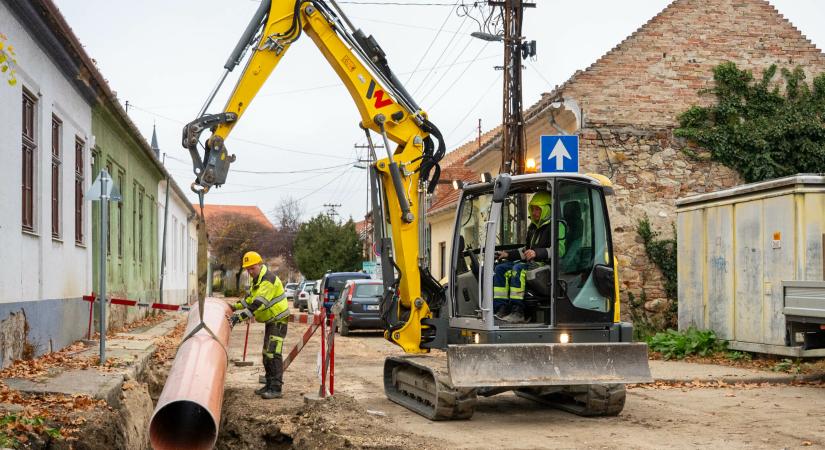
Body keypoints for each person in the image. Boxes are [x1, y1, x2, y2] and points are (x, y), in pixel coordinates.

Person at [493, 191, 566, 323]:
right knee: (500, 269)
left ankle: (518, 311)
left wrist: (537, 253)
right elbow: (526, 250)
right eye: (532, 209)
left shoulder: (557, 225)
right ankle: (500, 308)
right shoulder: (533, 227)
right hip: (532, 264)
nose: (534, 212)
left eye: (538, 209)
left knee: (518, 269)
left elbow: (560, 250)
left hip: (546, 266)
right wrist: (508, 254)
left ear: (547, 209)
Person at [229, 251, 290, 399]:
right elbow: (249, 300)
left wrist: (240, 317)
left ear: (259, 264)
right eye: (247, 269)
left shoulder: (268, 280)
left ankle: (276, 389)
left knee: (273, 354)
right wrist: (234, 307)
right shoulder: (257, 280)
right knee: (266, 354)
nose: (250, 272)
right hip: (271, 321)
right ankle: (269, 385)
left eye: (252, 268)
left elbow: (258, 303)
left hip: (278, 321)